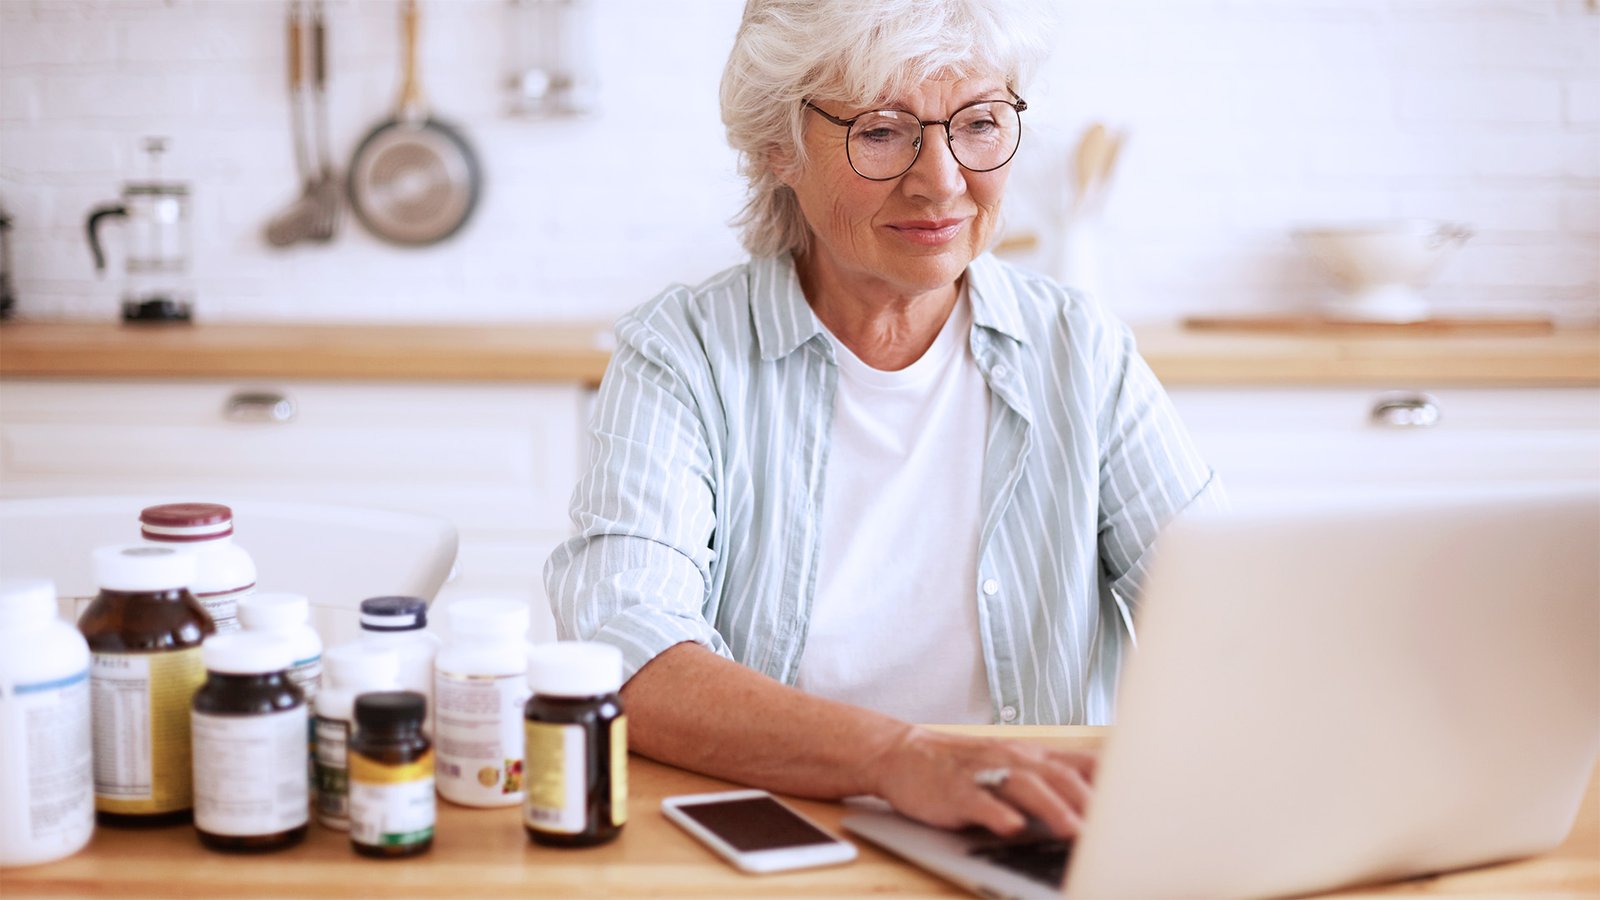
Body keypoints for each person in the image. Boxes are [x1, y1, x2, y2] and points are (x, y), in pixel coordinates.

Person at [545, 0, 1221, 840]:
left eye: (977, 122)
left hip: (1026, 836)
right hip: (776, 833)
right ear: (774, 146)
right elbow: (630, 652)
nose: (941, 179)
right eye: (880, 131)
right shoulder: (684, 355)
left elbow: (1223, 622)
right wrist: (899, 758)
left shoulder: (1080, 353)